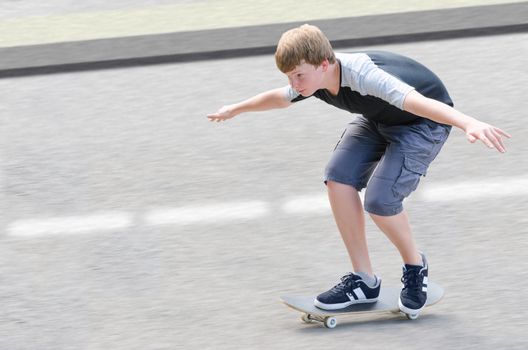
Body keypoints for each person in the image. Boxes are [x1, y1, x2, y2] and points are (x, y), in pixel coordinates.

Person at [207, 24, 510, 316]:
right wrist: (234, 109)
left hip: (422, 123)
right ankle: (364, 280)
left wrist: (467, 122)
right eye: (290, 77)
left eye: (299, 76)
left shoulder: (365, 76)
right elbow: (280, 98)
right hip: (378, 118)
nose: (294, 85)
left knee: (380, 201)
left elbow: (417, 102)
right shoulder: (312, 79)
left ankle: (415, 267)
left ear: (324, 64)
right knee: (338, 178)